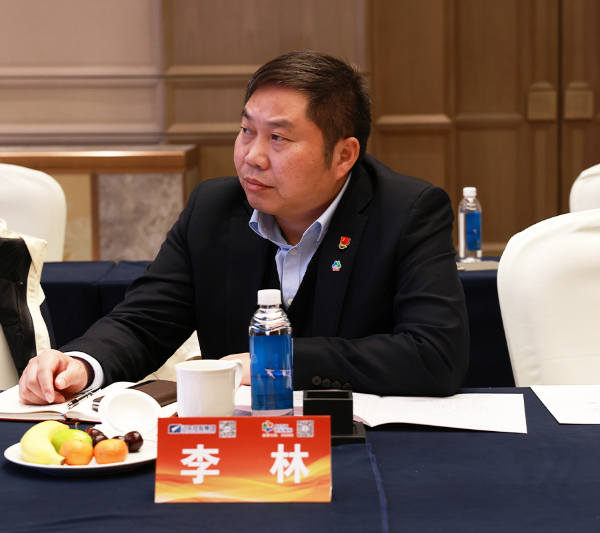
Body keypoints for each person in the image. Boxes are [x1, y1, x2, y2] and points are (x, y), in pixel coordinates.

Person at [19, 50, 469, 406]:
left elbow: (434, 354)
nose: (252, 156)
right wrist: (82, 363)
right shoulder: (214, 209)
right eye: (246, 131)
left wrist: (277, 363)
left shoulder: (406, 212)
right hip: (238, 448)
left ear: (343, 155)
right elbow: (145, 321)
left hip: (358, 444)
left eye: (278, 138)